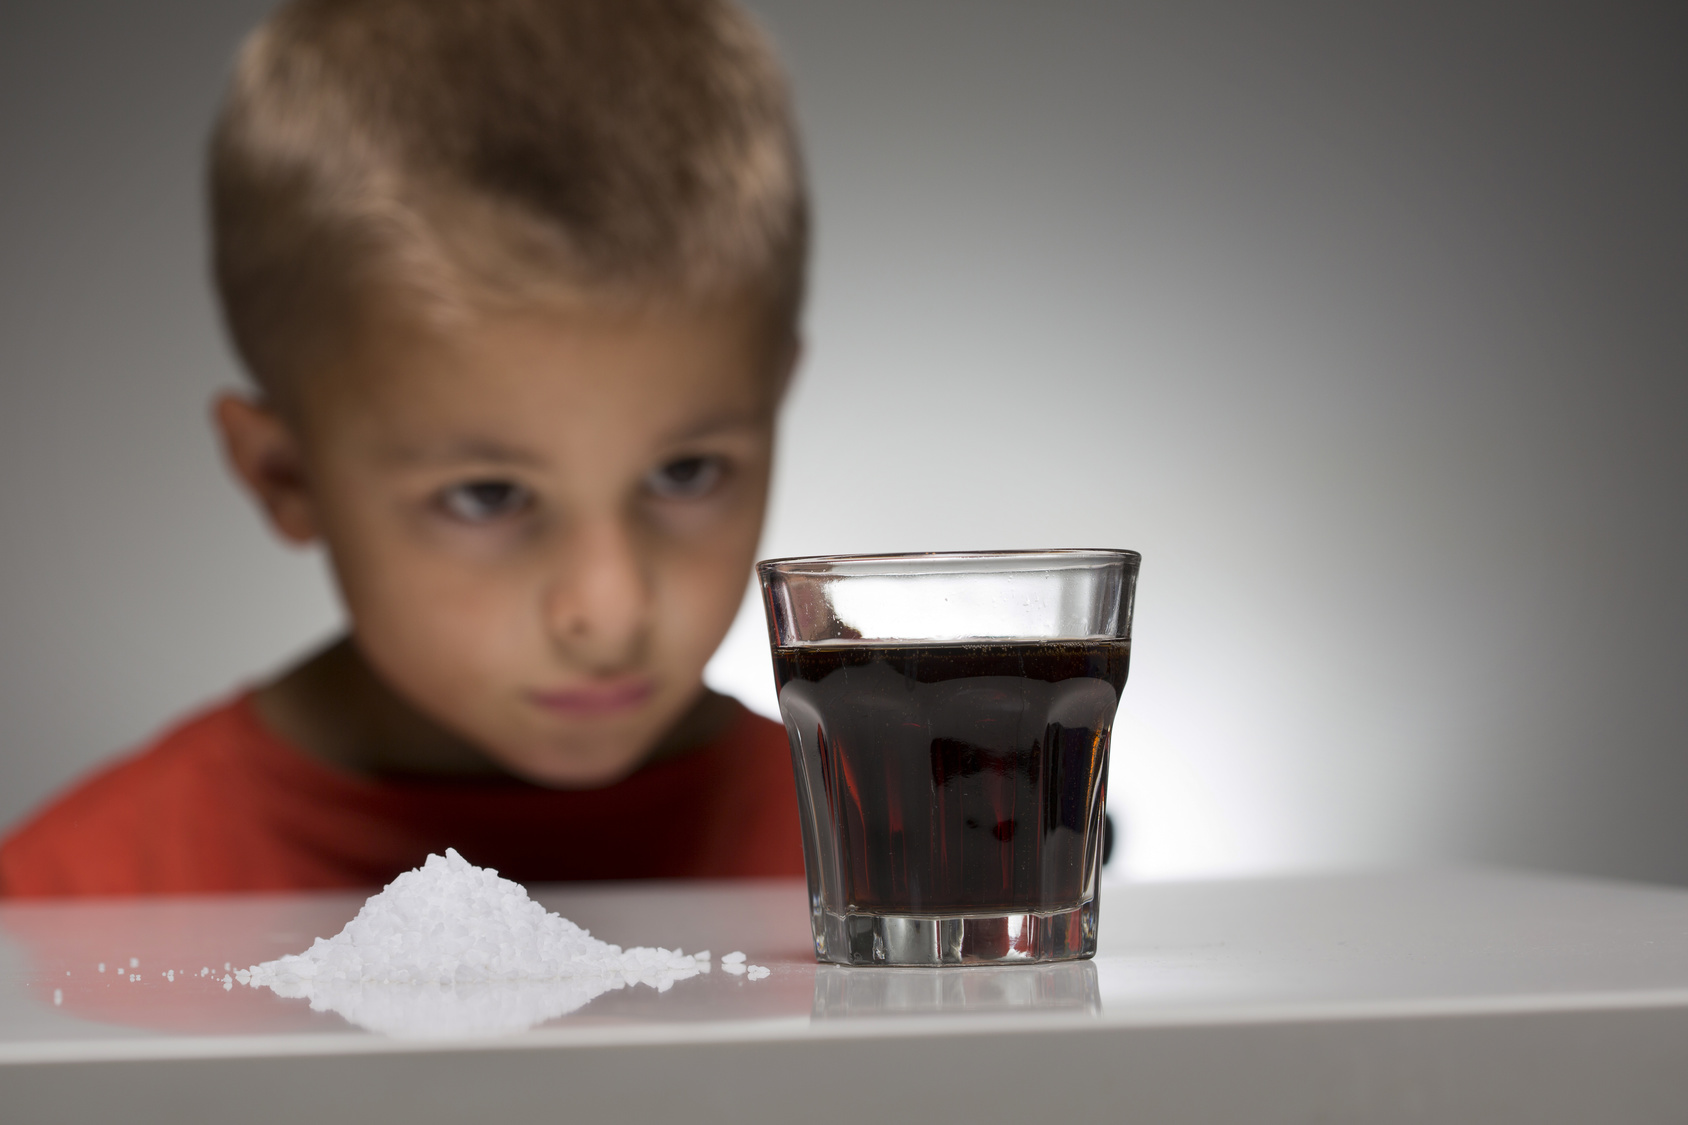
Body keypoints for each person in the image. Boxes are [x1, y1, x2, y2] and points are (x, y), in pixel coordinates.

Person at [0, 0, 809, 896]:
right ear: (284, 474)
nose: (610, 609)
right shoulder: (57, 916)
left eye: (685, 473)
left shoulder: (923, 874)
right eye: (488, 495)